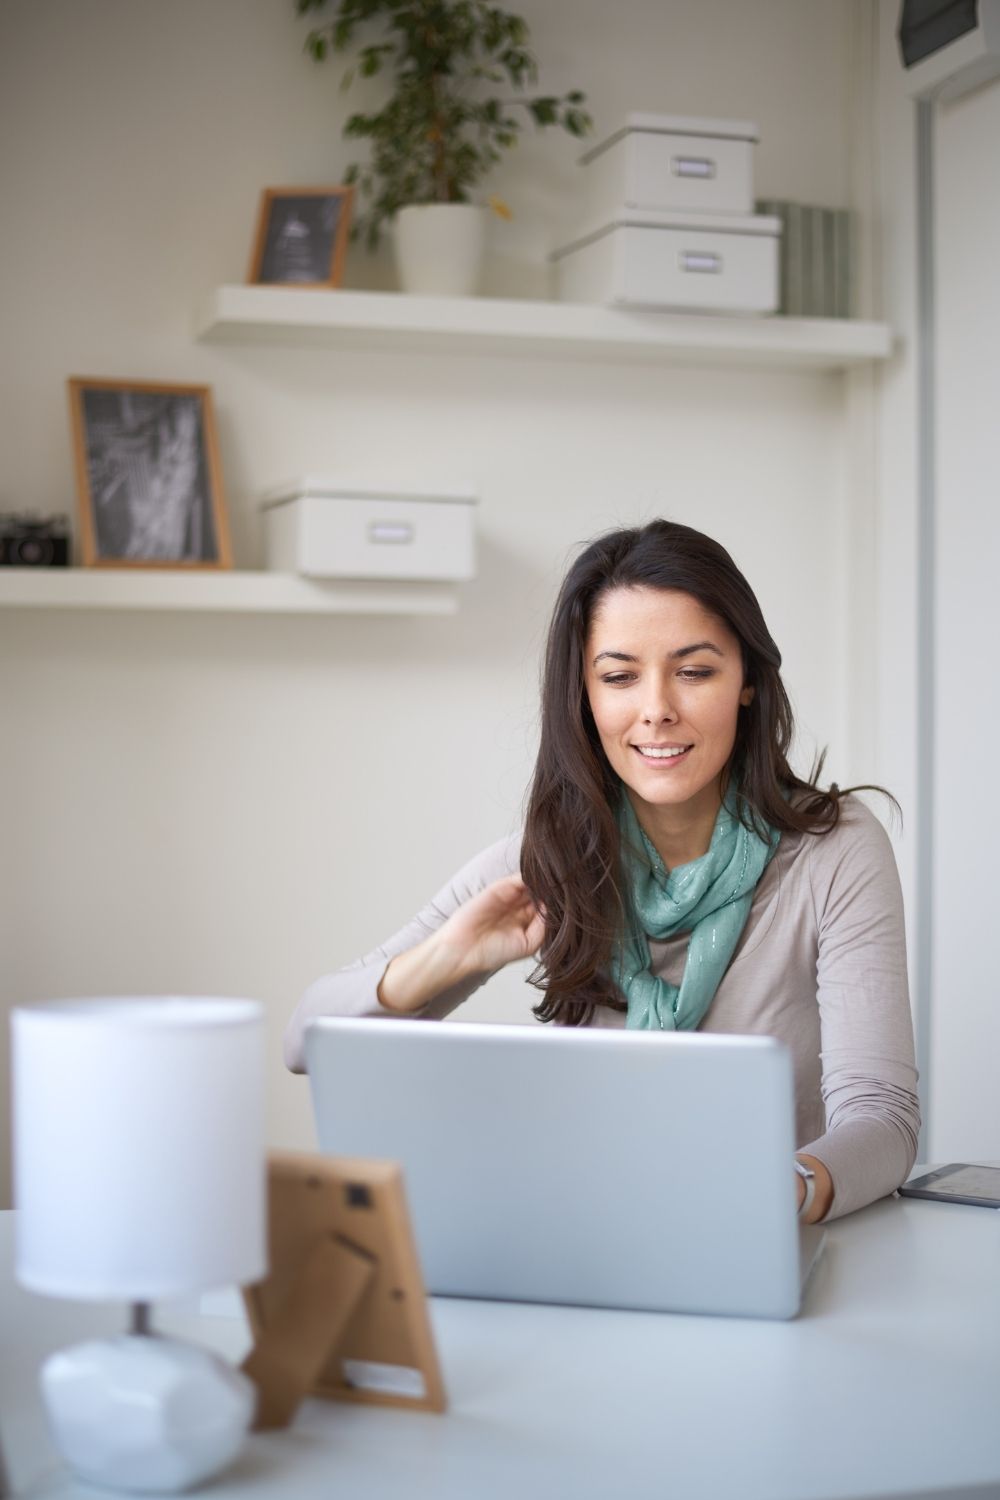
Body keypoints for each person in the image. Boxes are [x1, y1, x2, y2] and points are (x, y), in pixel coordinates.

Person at [285, 519, 920, 1224]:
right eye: (619, 677)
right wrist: (443, 961)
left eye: (695, 672)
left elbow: (882, 1118)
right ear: (584, 698)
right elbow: (304, 1040)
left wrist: (789, 1189)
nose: (656, 711)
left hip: (773, 1241)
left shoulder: (833, 851)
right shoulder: (542, 864)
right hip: (586, 1236)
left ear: (746, 680)